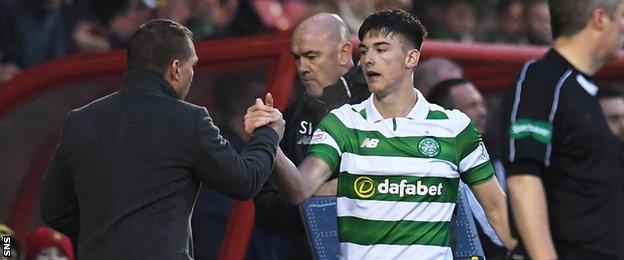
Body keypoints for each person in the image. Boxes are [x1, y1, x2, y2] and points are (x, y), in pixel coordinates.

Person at [246, 10, 516, 259]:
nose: (369, 59)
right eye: (364, 51)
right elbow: (299, 190)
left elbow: (495, 208)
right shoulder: (342, 122)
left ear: (411, 58)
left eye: (381, 50)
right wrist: (272, 141)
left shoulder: (454, 126)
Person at [39, 19, 284, 259]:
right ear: (176, 69)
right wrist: (267, 133)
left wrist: (101, 239)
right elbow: (244, 181)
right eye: (193, 66)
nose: (192, 75)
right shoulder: (189, 120)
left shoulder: (81, 120)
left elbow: (53, 209)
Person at [501, 0, 624, 258]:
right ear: (600, 19)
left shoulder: (583, 90)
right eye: (622, 16)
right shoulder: (542, 81)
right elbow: (524, 179)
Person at [253, 13, 368, 259]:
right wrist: (322, 194)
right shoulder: (290, 117)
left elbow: (396, 184)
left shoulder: (379, 104)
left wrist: (304, 192)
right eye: (297, 58)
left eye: (312, 56)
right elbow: (266, 213)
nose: (302, 68)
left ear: (344, 53)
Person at [428, 78, 508, 259]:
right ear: (449, 114)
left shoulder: (498, 160)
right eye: (472, 105)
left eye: (481, 103)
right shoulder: (432, 172)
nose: (482, 112)